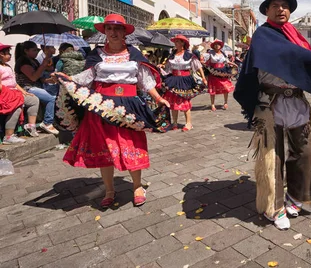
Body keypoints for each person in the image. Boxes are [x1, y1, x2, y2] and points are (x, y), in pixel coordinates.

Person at [234, 0, 311, 230]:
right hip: (270, 103)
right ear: (267, 11)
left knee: (307, 152)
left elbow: (309, 55)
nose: (281, 9)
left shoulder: (297, 36)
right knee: (273, 157)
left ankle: (296, 196)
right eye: (275, 5)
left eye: (285, 5)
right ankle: (273, 207)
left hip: (296, 101)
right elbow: (287, 55)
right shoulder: (263, 36)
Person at [55, 14, 170, 208]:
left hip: (129, 108)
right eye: (109, 29)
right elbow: (86, 78)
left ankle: (137, 187)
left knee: (132, 146)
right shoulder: (96, 55)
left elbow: (144, 80)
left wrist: (158, 98)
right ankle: (109, 190)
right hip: (102, 109)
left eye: (118, 29)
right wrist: (68, 79)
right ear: (104, 32)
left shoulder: (134, 54)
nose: (113, 32)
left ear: (125, 32)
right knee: (105, 150)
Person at [160, 34, 206, 131]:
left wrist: (203, 78)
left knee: (185, 101)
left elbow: (198, 66)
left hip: (185, 80)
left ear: (183, 43)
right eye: (175, 41)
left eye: (177, 41)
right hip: (174, 79)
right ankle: (175, 123)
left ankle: (188, 123)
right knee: (173, 101)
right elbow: (168, 67)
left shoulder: (189, 55)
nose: (176, 43)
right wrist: (161, 66)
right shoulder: (172, 55)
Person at [14, 41, 59, 135]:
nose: (36, 52)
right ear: (26, 51)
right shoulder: (23, 61)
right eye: (34, 50)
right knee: (51, 98)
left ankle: (47, 122)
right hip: (27, 88)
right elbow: (33, 77)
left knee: (55, 95)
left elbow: (39, 77)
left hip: (36, 86)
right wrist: (43, 64)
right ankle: (47, 123)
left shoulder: (33, 60)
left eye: (37, 50)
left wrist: (48, 80)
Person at [0, 43, 39, 144]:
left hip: (14, 93)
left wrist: (24, 92)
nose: (10, 55)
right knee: (16, 107)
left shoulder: (8, 66)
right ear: (1, 55)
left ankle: (31, 126)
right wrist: (10, 93)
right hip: (5, 95)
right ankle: (8, 136)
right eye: (7, 53)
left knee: (34, 100)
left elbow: (14, 83)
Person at [204, 39, 236, 111]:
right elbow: (204, 60)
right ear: (213, 46)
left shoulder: (223, 53)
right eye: (215, 44)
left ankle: (225, 102)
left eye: (218, 44)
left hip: (223, 72)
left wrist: (234, 64)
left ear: (220, 46)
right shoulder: (210, 53)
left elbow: (227, 61)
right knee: (213, 89)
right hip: (213, 72)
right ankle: (212, 104)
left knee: (225, 87)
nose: (217, 46)